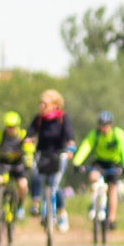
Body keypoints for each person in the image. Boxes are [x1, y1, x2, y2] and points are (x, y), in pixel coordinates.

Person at [24, 89, 75, 232]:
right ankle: (35, 202)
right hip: (42, 153)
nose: (41, 106)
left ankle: (61, 213)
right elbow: (30, 132)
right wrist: (28, 139)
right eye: (40, 103)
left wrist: (71, 146)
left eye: (45, 104)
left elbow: (69, 134)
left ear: (55, 105)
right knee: (35, 174)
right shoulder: (39, 118)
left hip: (59, 154)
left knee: (54, 184)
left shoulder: (62, 118)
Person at [71, 111, 124, 229]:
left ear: (111, 125)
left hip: (114, 162)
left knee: (112, 188)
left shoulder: (118, 134)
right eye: (102, 125)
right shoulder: (95, 134)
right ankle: (95, 203)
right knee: (93, 177)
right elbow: (86, 147)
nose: (104, 128)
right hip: (99, 162)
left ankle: (112, 218)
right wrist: (76, 162)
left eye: (106, 125)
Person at [0, 111, 34, 220]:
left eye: (13, 127)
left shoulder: (23, 135)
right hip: (4, 164)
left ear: (17, 126)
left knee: (23, 185)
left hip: (18, 164)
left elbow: (29, 149)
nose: (10, 129)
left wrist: (29, 159)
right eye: (8, 126)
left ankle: (20, 206)